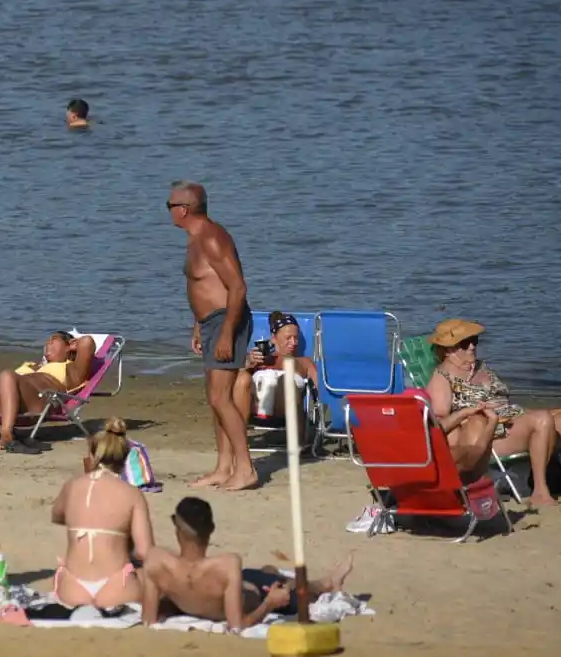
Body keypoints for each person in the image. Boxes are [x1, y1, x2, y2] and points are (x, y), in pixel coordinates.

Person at [426, 318, 561, 503]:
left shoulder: (480, 366)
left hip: (515, 421)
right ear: (449, 350)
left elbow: (505, 403)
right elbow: (439, 424)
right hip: (493, 436)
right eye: (464, 343)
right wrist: (472, 412)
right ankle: (540, 490)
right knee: (541, 419)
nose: (472, 347)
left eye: (474, 340)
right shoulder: (442, 377)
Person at [141, 497, 354, 630]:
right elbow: (238, 625)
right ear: (211, 529)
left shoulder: (156, 562)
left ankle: (273, 572)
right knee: (287, 587)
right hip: (257, 594)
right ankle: (326, 584)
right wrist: (269, 604)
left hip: (242, 584)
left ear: (175, 526)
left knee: (264, 573)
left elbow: (148, 620)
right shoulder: (226, 566)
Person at [168, 181, 256, 490]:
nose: (168, 212)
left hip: (226, 321)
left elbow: (238, 287)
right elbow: (204, 285)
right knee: (216, 399)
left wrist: (226, 334)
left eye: (169, 206)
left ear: (184, 209)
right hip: (210, 323)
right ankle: (223, 467)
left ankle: (245, 468)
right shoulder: (195, 239)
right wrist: (198, 324)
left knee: (221, 398)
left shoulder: (212, 238)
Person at [51, 417, 154, 608]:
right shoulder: (132, 494)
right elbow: (144, 551)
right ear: (125, 458)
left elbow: (57, 515)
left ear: (92, 456)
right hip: (117, 588)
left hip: (73, 589)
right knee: (148, 575)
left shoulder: (72, 486)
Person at [0, 332, 97, 454]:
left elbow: (87, 342)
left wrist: (74, 343)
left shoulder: (71, 369)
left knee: (6, 375)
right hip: (7, 401)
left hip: (37, 401)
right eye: (47, 341)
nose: (48, 343)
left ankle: (6, 435)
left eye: (54, 339)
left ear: (69, 346)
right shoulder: (34, 366)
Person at [236, 312, 319, 431]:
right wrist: (248, 362)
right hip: (254, 408)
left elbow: (321, 390)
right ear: (273, 339)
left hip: (285, 410)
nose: (293, 343)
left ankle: (298, 437)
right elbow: (231, 381)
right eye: (288, 338)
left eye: (296, 338)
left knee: (284, 381)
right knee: (242, 377)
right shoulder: (259, 359)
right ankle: (238, 434)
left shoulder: (304, 362)